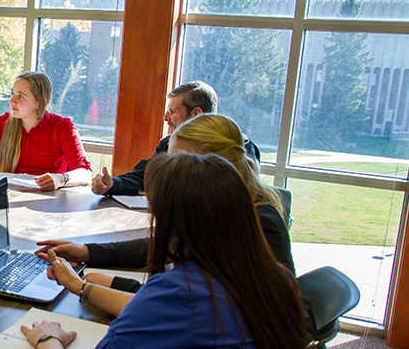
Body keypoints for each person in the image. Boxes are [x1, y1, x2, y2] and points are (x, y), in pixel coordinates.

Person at [24, 153, 308, 349]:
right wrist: (83, 286)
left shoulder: (179, 293)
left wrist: (49, 338)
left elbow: (165, 310)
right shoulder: (274, 277)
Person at [36, 113, 295, 293]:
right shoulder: (215, 211)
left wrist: (86, 288)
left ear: (214, 165)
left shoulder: (260, 223)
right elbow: (168, 247)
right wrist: (88, 252)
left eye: (180, 161)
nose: (169, 171)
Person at [91, 80, 260, 196]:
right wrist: (112, 185)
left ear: (196, 114)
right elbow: (146, 176)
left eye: (172, 111)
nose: (165, 117)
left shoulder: (236, 144)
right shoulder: (169, 143)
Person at [0, 72, 92, 191]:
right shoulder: (3, 123)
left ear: (38, 103)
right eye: (13, 94)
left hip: (50, 201)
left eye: (21, 97)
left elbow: (85, 174)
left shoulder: (63, 127)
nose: (12, 101)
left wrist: (60, 179)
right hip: (10, 195)